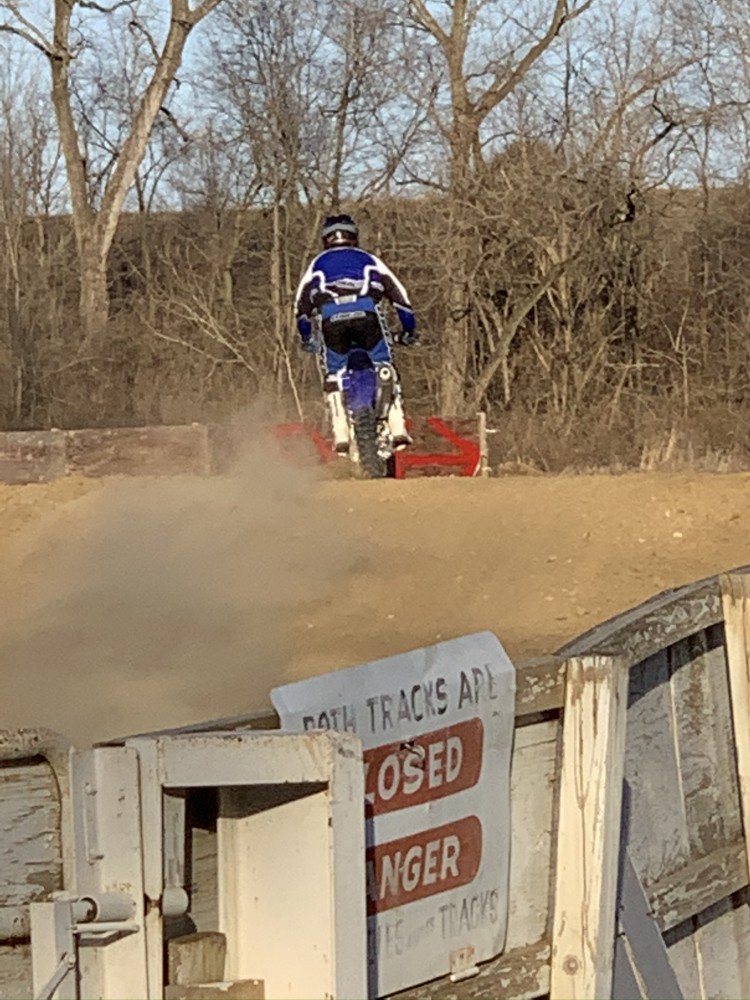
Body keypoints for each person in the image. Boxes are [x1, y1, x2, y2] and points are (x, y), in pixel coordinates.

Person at [294, 213, 419, 454]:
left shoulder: (316, 264)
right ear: (354, 236)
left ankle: (341, 434)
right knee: (384, 364)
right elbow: (400, 296)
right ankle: (398, 429)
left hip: (331, 319)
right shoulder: (369, 259)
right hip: (367, 314)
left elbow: (300, 307)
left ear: (325, 239)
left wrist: (307, 336)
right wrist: (409, 329)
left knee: (334, 374)